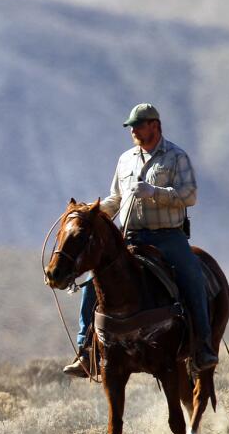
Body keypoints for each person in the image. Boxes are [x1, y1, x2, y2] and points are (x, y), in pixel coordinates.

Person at [63, 103, 219, 378]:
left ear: (154, 125)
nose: (133, 130)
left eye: (138, 125)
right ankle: (86, 351)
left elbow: (189, 195)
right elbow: (116, 198)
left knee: (192, 277)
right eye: (131, 127)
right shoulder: (125, 159)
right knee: (93, 282)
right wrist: (93, 212)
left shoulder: (175, 157)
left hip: (168, 237)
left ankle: (202, 346)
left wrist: (154, 192)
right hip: (131, 236)